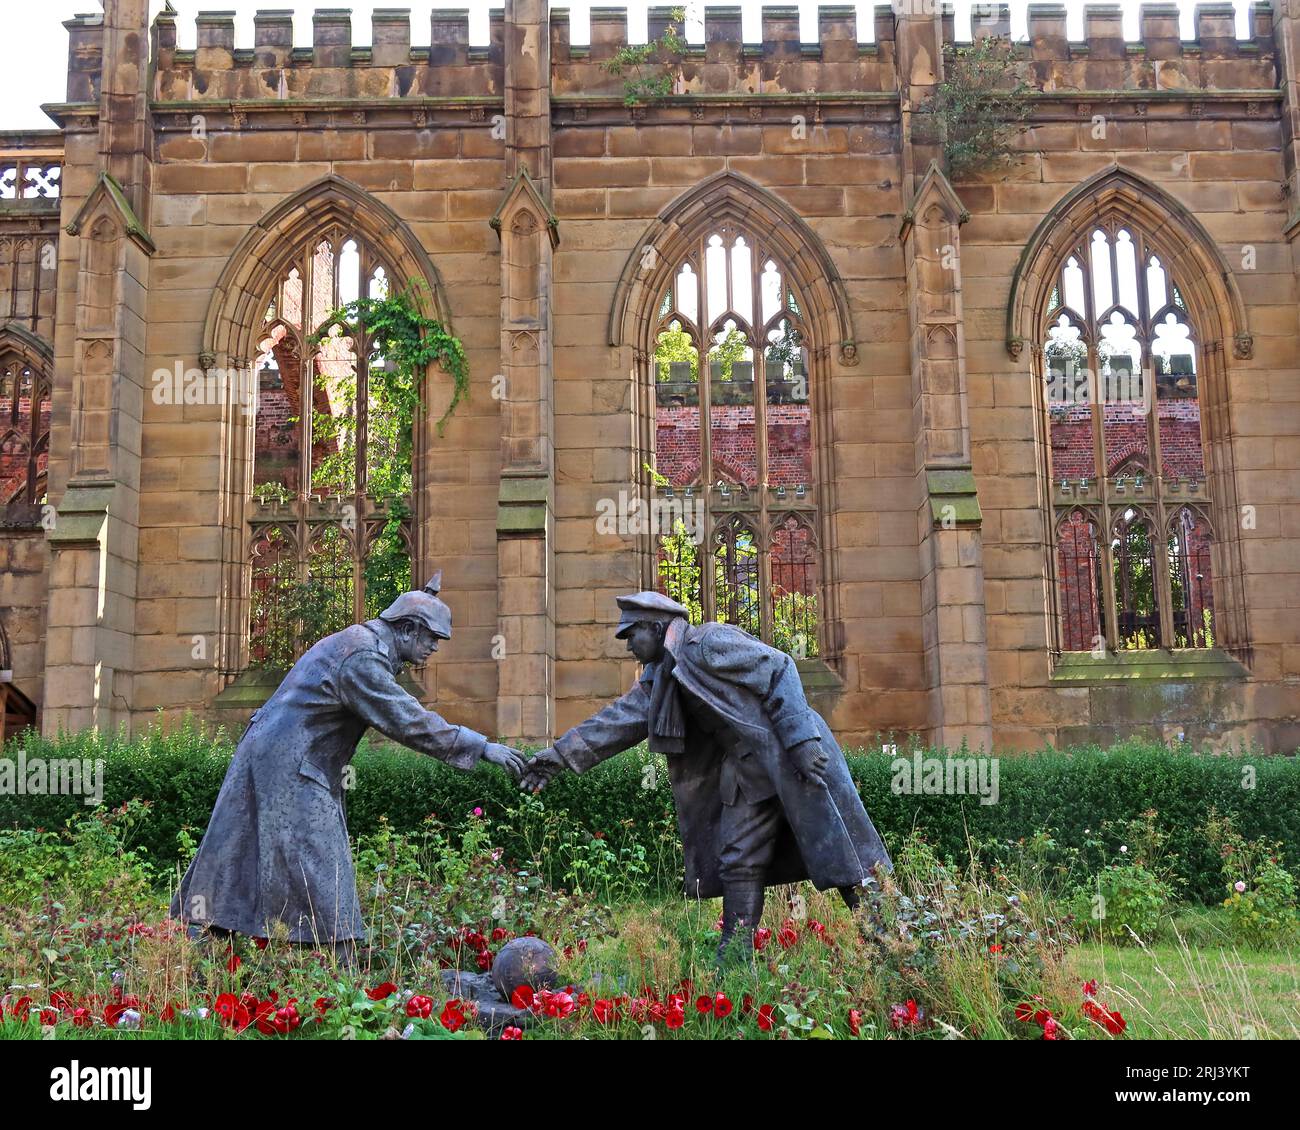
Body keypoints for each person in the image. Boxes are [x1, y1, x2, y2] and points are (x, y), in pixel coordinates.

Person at [170, 572, 526, 959]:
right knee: (321, 861)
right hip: (291, 764)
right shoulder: (362, 656)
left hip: (280, 757)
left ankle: (203, 946)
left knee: (241, 850)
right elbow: (407, 720)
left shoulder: (361, 644)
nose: (435, 648)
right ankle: (338, 961)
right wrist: (482, 746)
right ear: (407, 629)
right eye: (432, 638)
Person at [521, 592, 892, 962]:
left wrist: (802, 740)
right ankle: (734, 957)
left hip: (793, 755)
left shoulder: (708, 642)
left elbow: (780, 668)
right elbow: (616, 721)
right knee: (738, 858)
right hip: (748, 771)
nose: (629, 645)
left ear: (656, 627)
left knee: (844, 854)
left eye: (631, 634)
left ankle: (895, 945)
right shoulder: (661, 677)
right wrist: (557, 757)